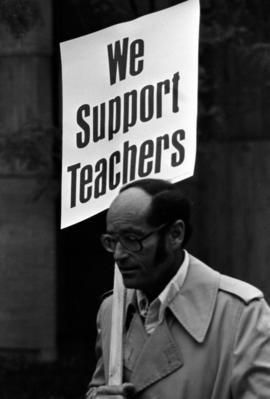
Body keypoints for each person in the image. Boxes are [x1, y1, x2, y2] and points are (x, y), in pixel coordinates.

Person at [86, 178, 270, 399]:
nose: (118, 255)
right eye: (112, 240)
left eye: (132, 239)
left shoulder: (242, 313)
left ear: (175, 234)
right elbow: (98, 386)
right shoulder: (111, 310)